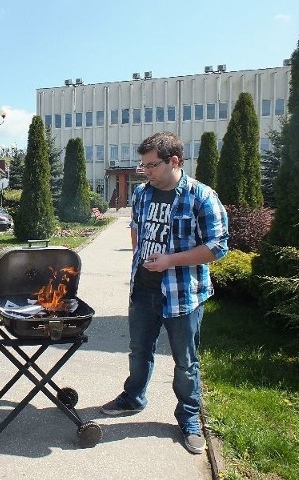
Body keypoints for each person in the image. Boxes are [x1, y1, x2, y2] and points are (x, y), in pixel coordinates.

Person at [99, 131, 228, 455]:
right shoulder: (142, 194)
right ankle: (133, 398)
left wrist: (170, 260)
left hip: (183, 296)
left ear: (174, 161)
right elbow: (137, 230)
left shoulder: (201, 196)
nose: (145, 172)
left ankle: (188, 419)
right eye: (143, 166)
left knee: (185, 362)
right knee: (138, 351)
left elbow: (217, 247)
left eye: (151, 165)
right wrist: (139, 260)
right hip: (143, 292)